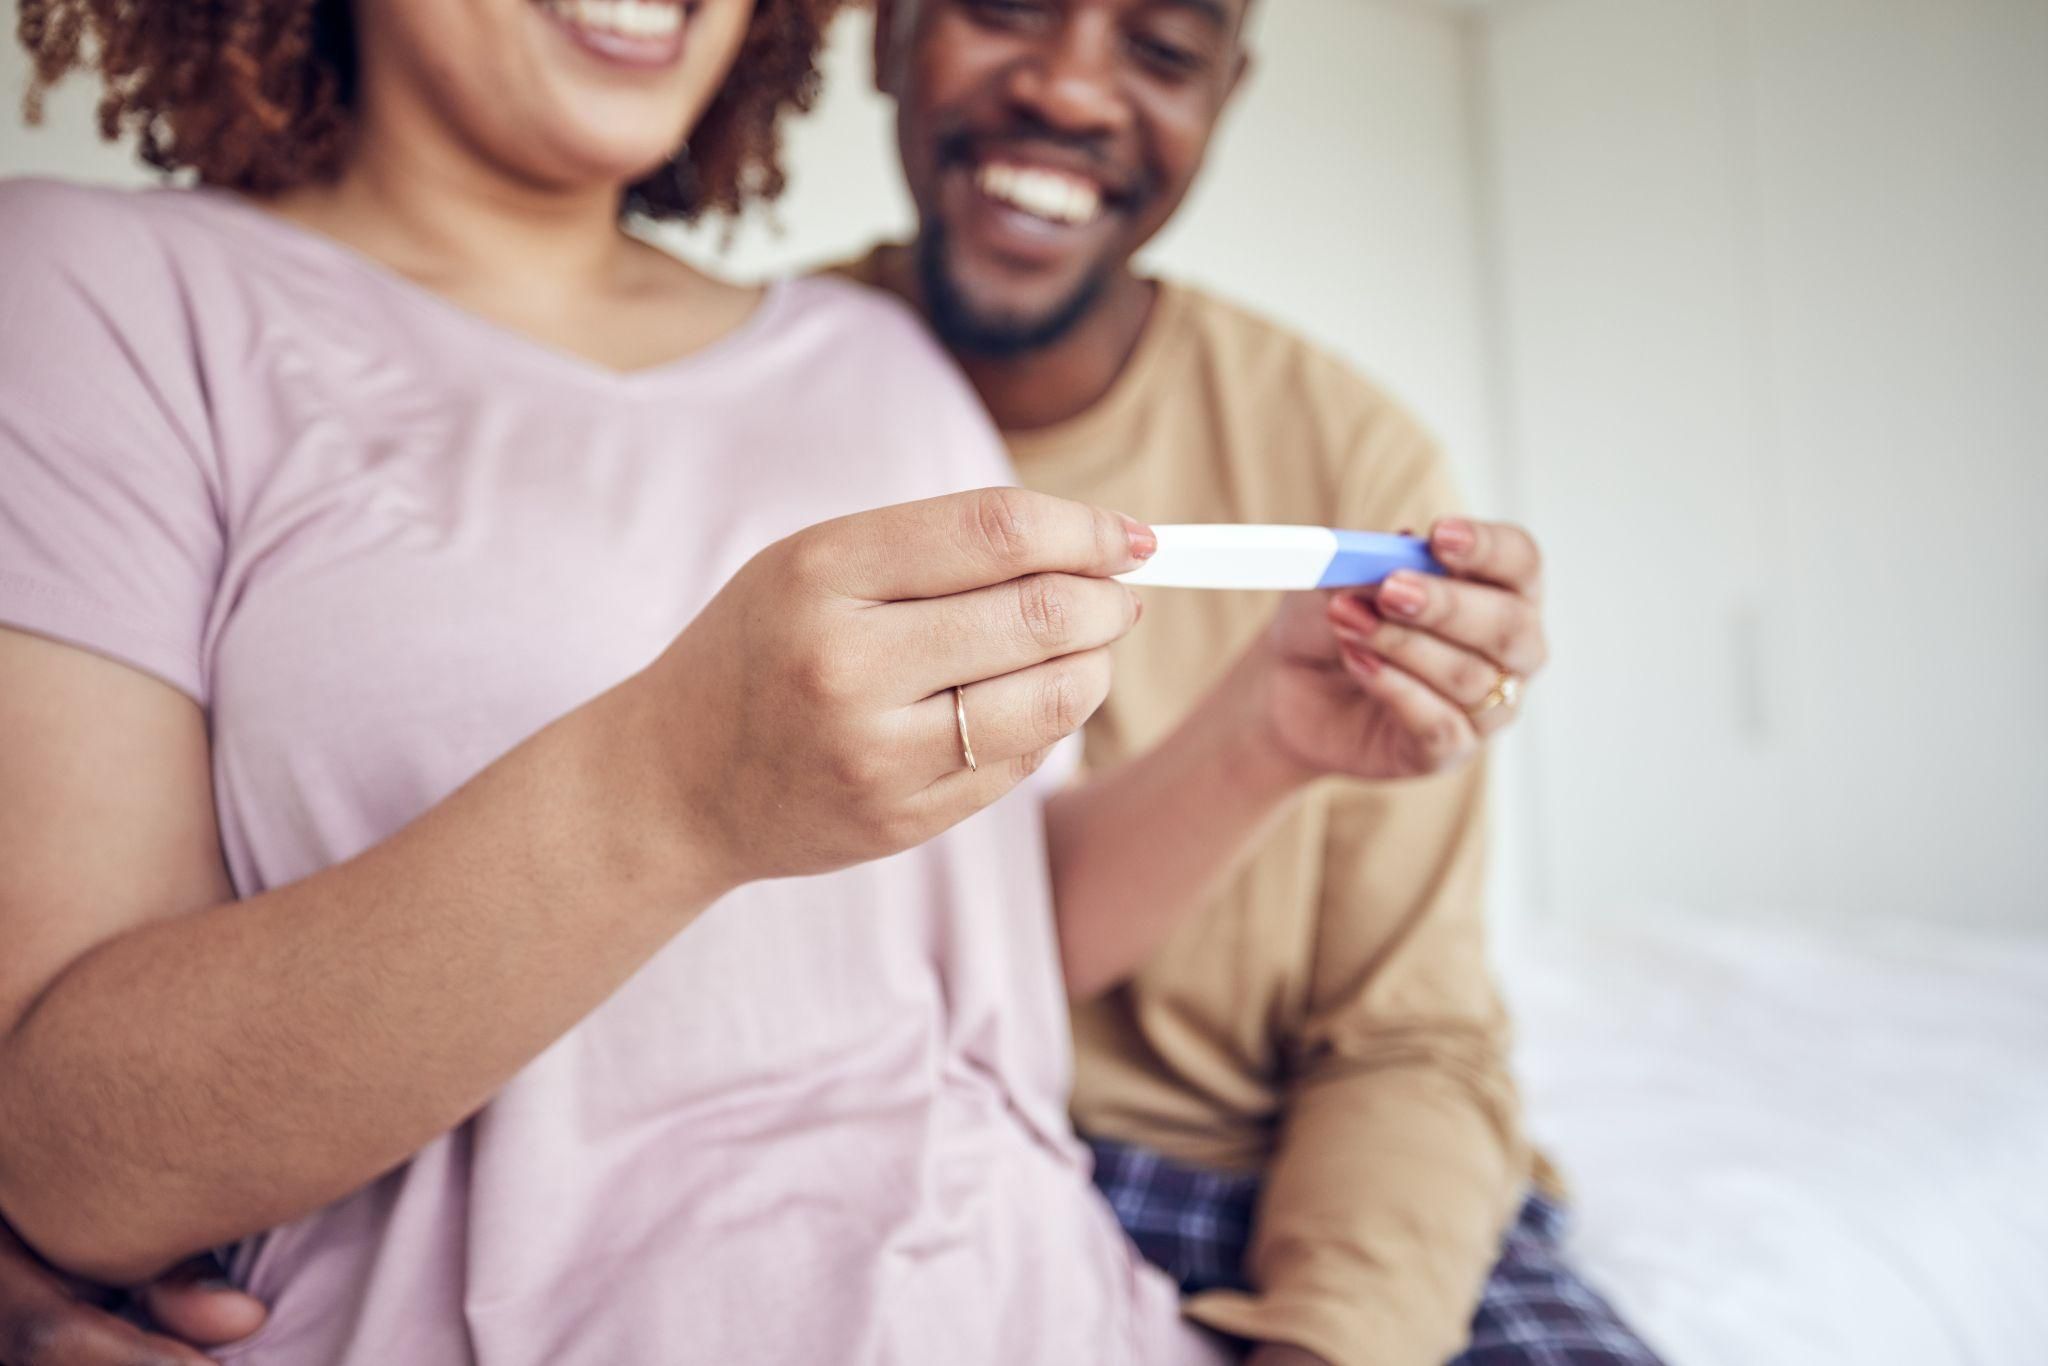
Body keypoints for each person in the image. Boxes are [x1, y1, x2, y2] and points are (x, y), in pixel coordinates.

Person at [0, 1, 1504, 1364]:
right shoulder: (99, 296)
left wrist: (1263, 738)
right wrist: (672, 788)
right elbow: (75, 1160)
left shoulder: (880, 363)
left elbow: (982, 933)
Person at [832, 2, 1667, 1364]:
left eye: (1159, 50)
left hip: (1253, 1176)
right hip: (889, 1163)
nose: (1072, 92)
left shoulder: (1358, 464)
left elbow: (1409, 1037)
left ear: (1226, 96)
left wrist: (1332, 1333)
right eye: (1006, 8)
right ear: (888, 35)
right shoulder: (742, 395)